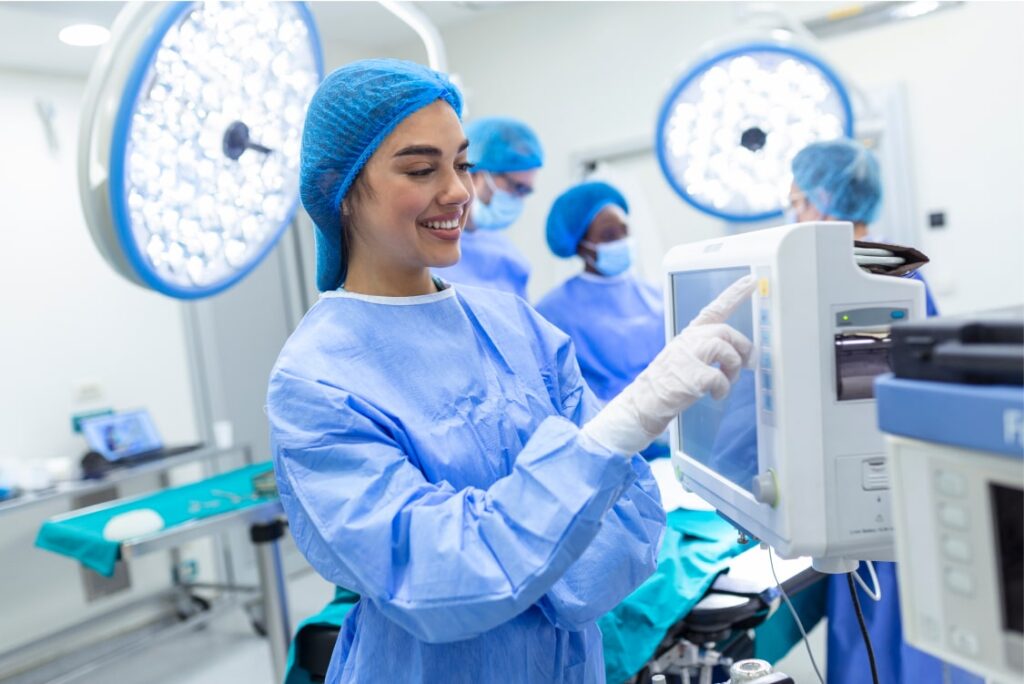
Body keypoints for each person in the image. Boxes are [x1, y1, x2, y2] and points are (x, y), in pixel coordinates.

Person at [267, 58, 756, 683]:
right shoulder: (316, 381)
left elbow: (627, 528)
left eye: (462, 163)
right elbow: (439, 579)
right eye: (421, 169)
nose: (459, 192)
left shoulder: (517, 327)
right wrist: (603, 447)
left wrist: (529, 552)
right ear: (337, 186)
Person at [789, 139, 983, 684]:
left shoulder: (879, 279)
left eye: (799, 202)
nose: (796, 214)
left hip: (889, 492)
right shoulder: (899, 275)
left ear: (825, 200)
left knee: (902, 641)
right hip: (883, 492)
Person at [535, 182, 668, 456]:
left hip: (667, 436)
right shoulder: (552, 310)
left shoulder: (655, 296)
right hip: (602, 442)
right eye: (608, 235)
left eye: (624, 230)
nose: (621, 241)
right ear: (580, 246)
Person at [788, 138, 939, 316]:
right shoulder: (898, 263)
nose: (794, 215)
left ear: (823, 198)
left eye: (795, 202)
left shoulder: (838, 270)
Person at [432, 116, 542, 299]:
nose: (518, 198)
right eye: (516, 187)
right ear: (474, 174)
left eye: (526, 191)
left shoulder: (510, 256)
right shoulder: (425, 248)